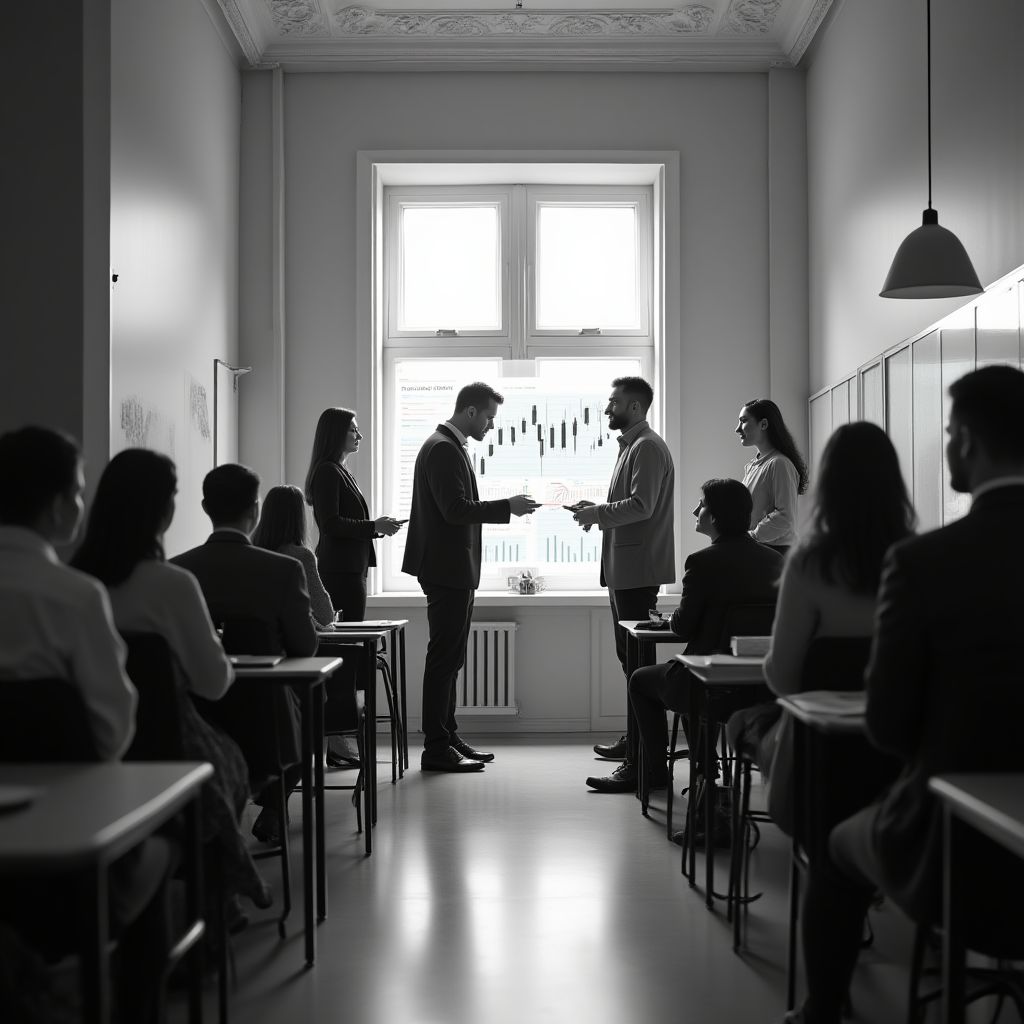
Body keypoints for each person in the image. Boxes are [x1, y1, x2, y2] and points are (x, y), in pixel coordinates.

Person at [783, 365, 1024, 1024]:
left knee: (833, 846)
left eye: (948, 433)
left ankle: (821, 1008)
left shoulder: (925, 565)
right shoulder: (913, 549)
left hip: (950, 842)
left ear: (968, 440)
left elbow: (888, 726)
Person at [0, 426, 169, 1024]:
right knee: (156, 854)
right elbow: (113, 728)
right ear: (54, 505)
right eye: (77, 489)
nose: (81, 502)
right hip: (71, 852)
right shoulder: (73, 596)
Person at [71, 448, 272, 918]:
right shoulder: (171, 584)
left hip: (86, 753)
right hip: (170, 746)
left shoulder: (76, 583)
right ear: (163, 510)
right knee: (228, 766)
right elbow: (215, 683)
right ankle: (211, 900)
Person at [726, 421, 915, 835]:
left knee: (740, 721)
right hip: (900, 753)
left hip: (819, 757)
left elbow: (783, 679)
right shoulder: (920, 561)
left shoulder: (810, 565)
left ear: (829, 486)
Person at [587, 479, 782, 800]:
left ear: (716, 517)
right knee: (694, 693)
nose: (696, 510)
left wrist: (669, 620)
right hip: (758, 686)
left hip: (705, 681)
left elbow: (684, 628)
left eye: (702, 504)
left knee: (639, 680)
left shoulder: (703, 562)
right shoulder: (776, 561)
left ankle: (653, 771)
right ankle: (707, 772)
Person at [172, 463, 318, 843]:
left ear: (206, 508)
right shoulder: (284, 570)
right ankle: (274, 804)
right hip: (268, 726)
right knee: (304, 710)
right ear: (255, 509)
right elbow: (306, 646)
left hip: (196, 720)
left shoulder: (177, 572)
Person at [402, 382, 540, 772]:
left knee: (451, 657)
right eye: (490, 418)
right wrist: (507, 507)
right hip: (446, 569)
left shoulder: (445, 444)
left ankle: (447, 735)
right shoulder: (443, 448)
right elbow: (454, 509)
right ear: (470, 412)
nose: (491, 427)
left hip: (450, 568)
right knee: (444, 658)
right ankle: (436, 746)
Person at [569, 376, 675, 767]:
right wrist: (595, 508)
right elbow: (631, 504)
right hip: (626, 568)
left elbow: (642, 506)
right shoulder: (634, 445)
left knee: (637, 664)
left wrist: (597, 514)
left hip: (637, 569)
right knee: (630, 661)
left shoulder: (646, 447)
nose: (607, 408)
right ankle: (637, 742)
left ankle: (644, 754)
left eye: (613, 402)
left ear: (634, 407)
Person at [304, 406, 402, 621]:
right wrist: (374, 526)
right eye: (353, 430)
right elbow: (331, 524)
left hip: (351, 568)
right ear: (335, 433)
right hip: (340, 572)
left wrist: (376, 527)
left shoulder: (341, 470)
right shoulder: (328, 471)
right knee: (348, 637)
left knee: (353, 635)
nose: (360, 436)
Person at [254, 484, 335, 630]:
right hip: (290, 645)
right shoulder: (301, 556)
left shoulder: (251, 552)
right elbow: (325, 615)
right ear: (299, 517)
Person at [735, 397, 808, 555]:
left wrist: (752, 536)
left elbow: (785, 516)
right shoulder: (754, 466)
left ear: (764, 424)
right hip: (759, 549)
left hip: (775, 553)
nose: (737, 429)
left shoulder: (779, 464)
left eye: (743, 421)